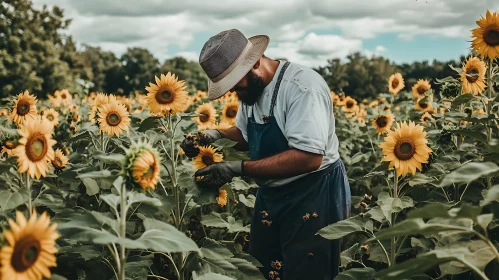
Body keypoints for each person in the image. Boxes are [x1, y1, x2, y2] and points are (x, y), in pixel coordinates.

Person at [181, 29, 351, 280]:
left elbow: (309, 157)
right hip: (272, 195)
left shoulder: (303, 87)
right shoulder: (251, 89)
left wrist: (237, 168)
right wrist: (212, 136)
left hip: (314, 192)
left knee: (307, 271)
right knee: (263, 269)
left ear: (256, 63)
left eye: (235, 83)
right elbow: (246, 133)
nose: (233, 91)